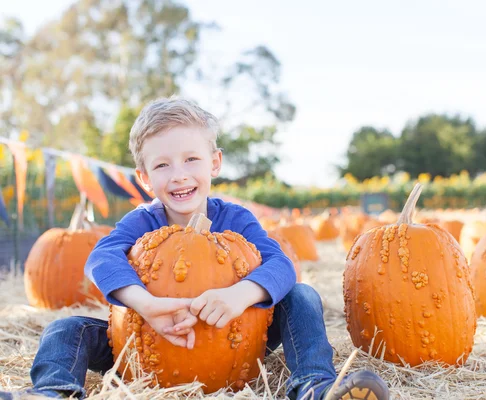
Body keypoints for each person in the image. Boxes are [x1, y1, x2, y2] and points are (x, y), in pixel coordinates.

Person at [0, 97, 389, 400]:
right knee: (66, 329)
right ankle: (53, 391)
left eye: (191, 159)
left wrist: (242, 294)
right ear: (144, 177)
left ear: (214, 162)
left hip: (237, 337)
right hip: (145, 344)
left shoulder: (235, 219)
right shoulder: (142, 222)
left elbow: (281, 264)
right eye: (163, 165)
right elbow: (100, 257)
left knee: (301, 295)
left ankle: (313, 385)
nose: (180, 174)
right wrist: (145, 304)